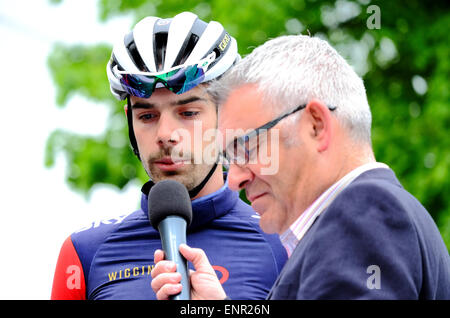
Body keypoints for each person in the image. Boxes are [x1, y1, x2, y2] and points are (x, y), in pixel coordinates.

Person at [151, 34, 450, 299]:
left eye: (245, 147)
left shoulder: (363, 213)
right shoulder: (371, 216)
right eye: (230, 156)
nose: (234, 179)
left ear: (316, 126)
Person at [51, 12, 287, 300]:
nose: (166, 134)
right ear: (130, 122)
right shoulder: (85, 252)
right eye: (147, 115)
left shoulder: (287, 243)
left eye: (188, 113)